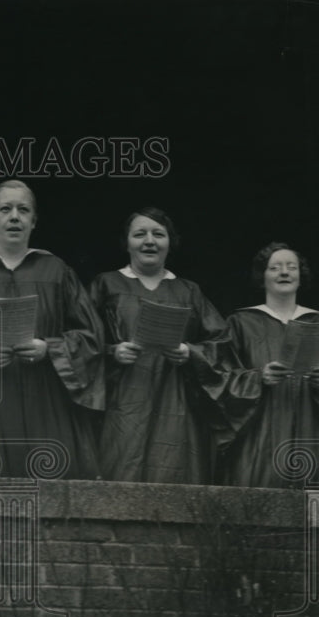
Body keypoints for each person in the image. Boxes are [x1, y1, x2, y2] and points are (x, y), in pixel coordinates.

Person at [0, 180, 106, 480]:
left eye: (23, 209)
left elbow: (91, 336)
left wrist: (51, 348)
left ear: (34, 220)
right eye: (5, 209)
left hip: (47, 398)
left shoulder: (56, 271)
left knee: (54, 484)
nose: (14, 216)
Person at [87, 206, 228, 485]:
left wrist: (191, 353)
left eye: (158, 234)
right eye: (140, 234)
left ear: (169, 243)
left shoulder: (188, 291)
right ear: (127, 242)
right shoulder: (107, 284)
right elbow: (81, 340)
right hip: (123, 402)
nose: (149, 241)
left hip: (175, 403)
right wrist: (112, 351)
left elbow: (222, 342)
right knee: (120, 475)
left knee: (175, 479)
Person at [219, 243, 319, 488]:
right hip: (259, 436)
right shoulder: (240, 323)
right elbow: (219, 378)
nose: (284, 272)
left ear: (301, 276)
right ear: (262, 277)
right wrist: (258, 378)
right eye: (275, 267)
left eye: (292, 267)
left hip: (313, 432)